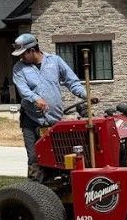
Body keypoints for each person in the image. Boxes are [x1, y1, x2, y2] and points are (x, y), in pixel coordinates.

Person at [10, 33, 87, 179]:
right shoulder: (19, 68)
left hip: (54, 120)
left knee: (58, 157)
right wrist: (35, 98)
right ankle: (35, 193)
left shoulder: (55, 61)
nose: (21, 58)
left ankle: (57, 190)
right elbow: (23, 90)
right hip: (31, 121)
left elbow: (72, 82)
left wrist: (86, 95)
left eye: (23, 54)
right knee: (34, 158)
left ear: (32, 50)